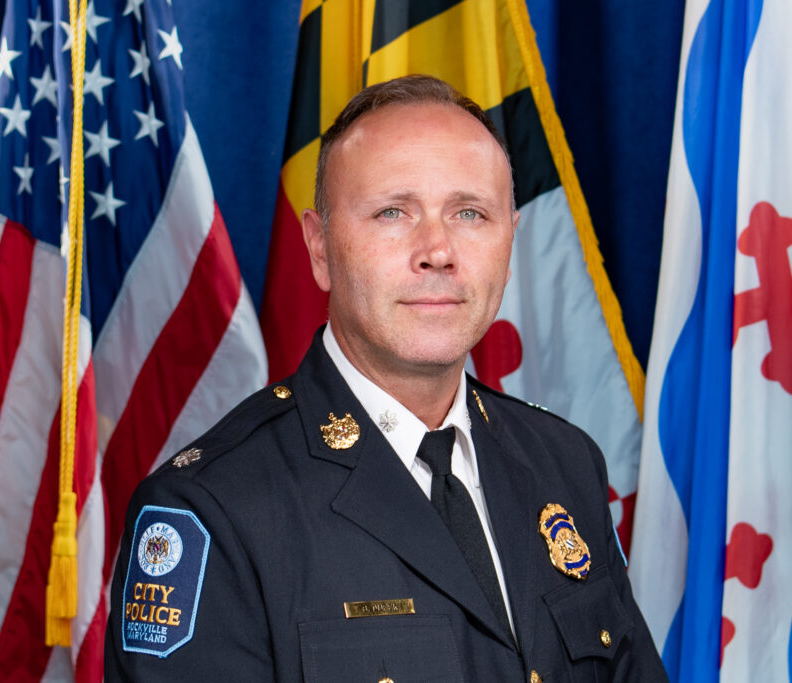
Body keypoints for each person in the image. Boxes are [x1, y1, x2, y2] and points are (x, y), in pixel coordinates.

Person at [105, 75, 667, 682]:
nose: (437, 250)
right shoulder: (214, 508)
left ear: (510, 243)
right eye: (393, 212)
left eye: (470, 213)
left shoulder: (565, 463)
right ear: (320, 249)